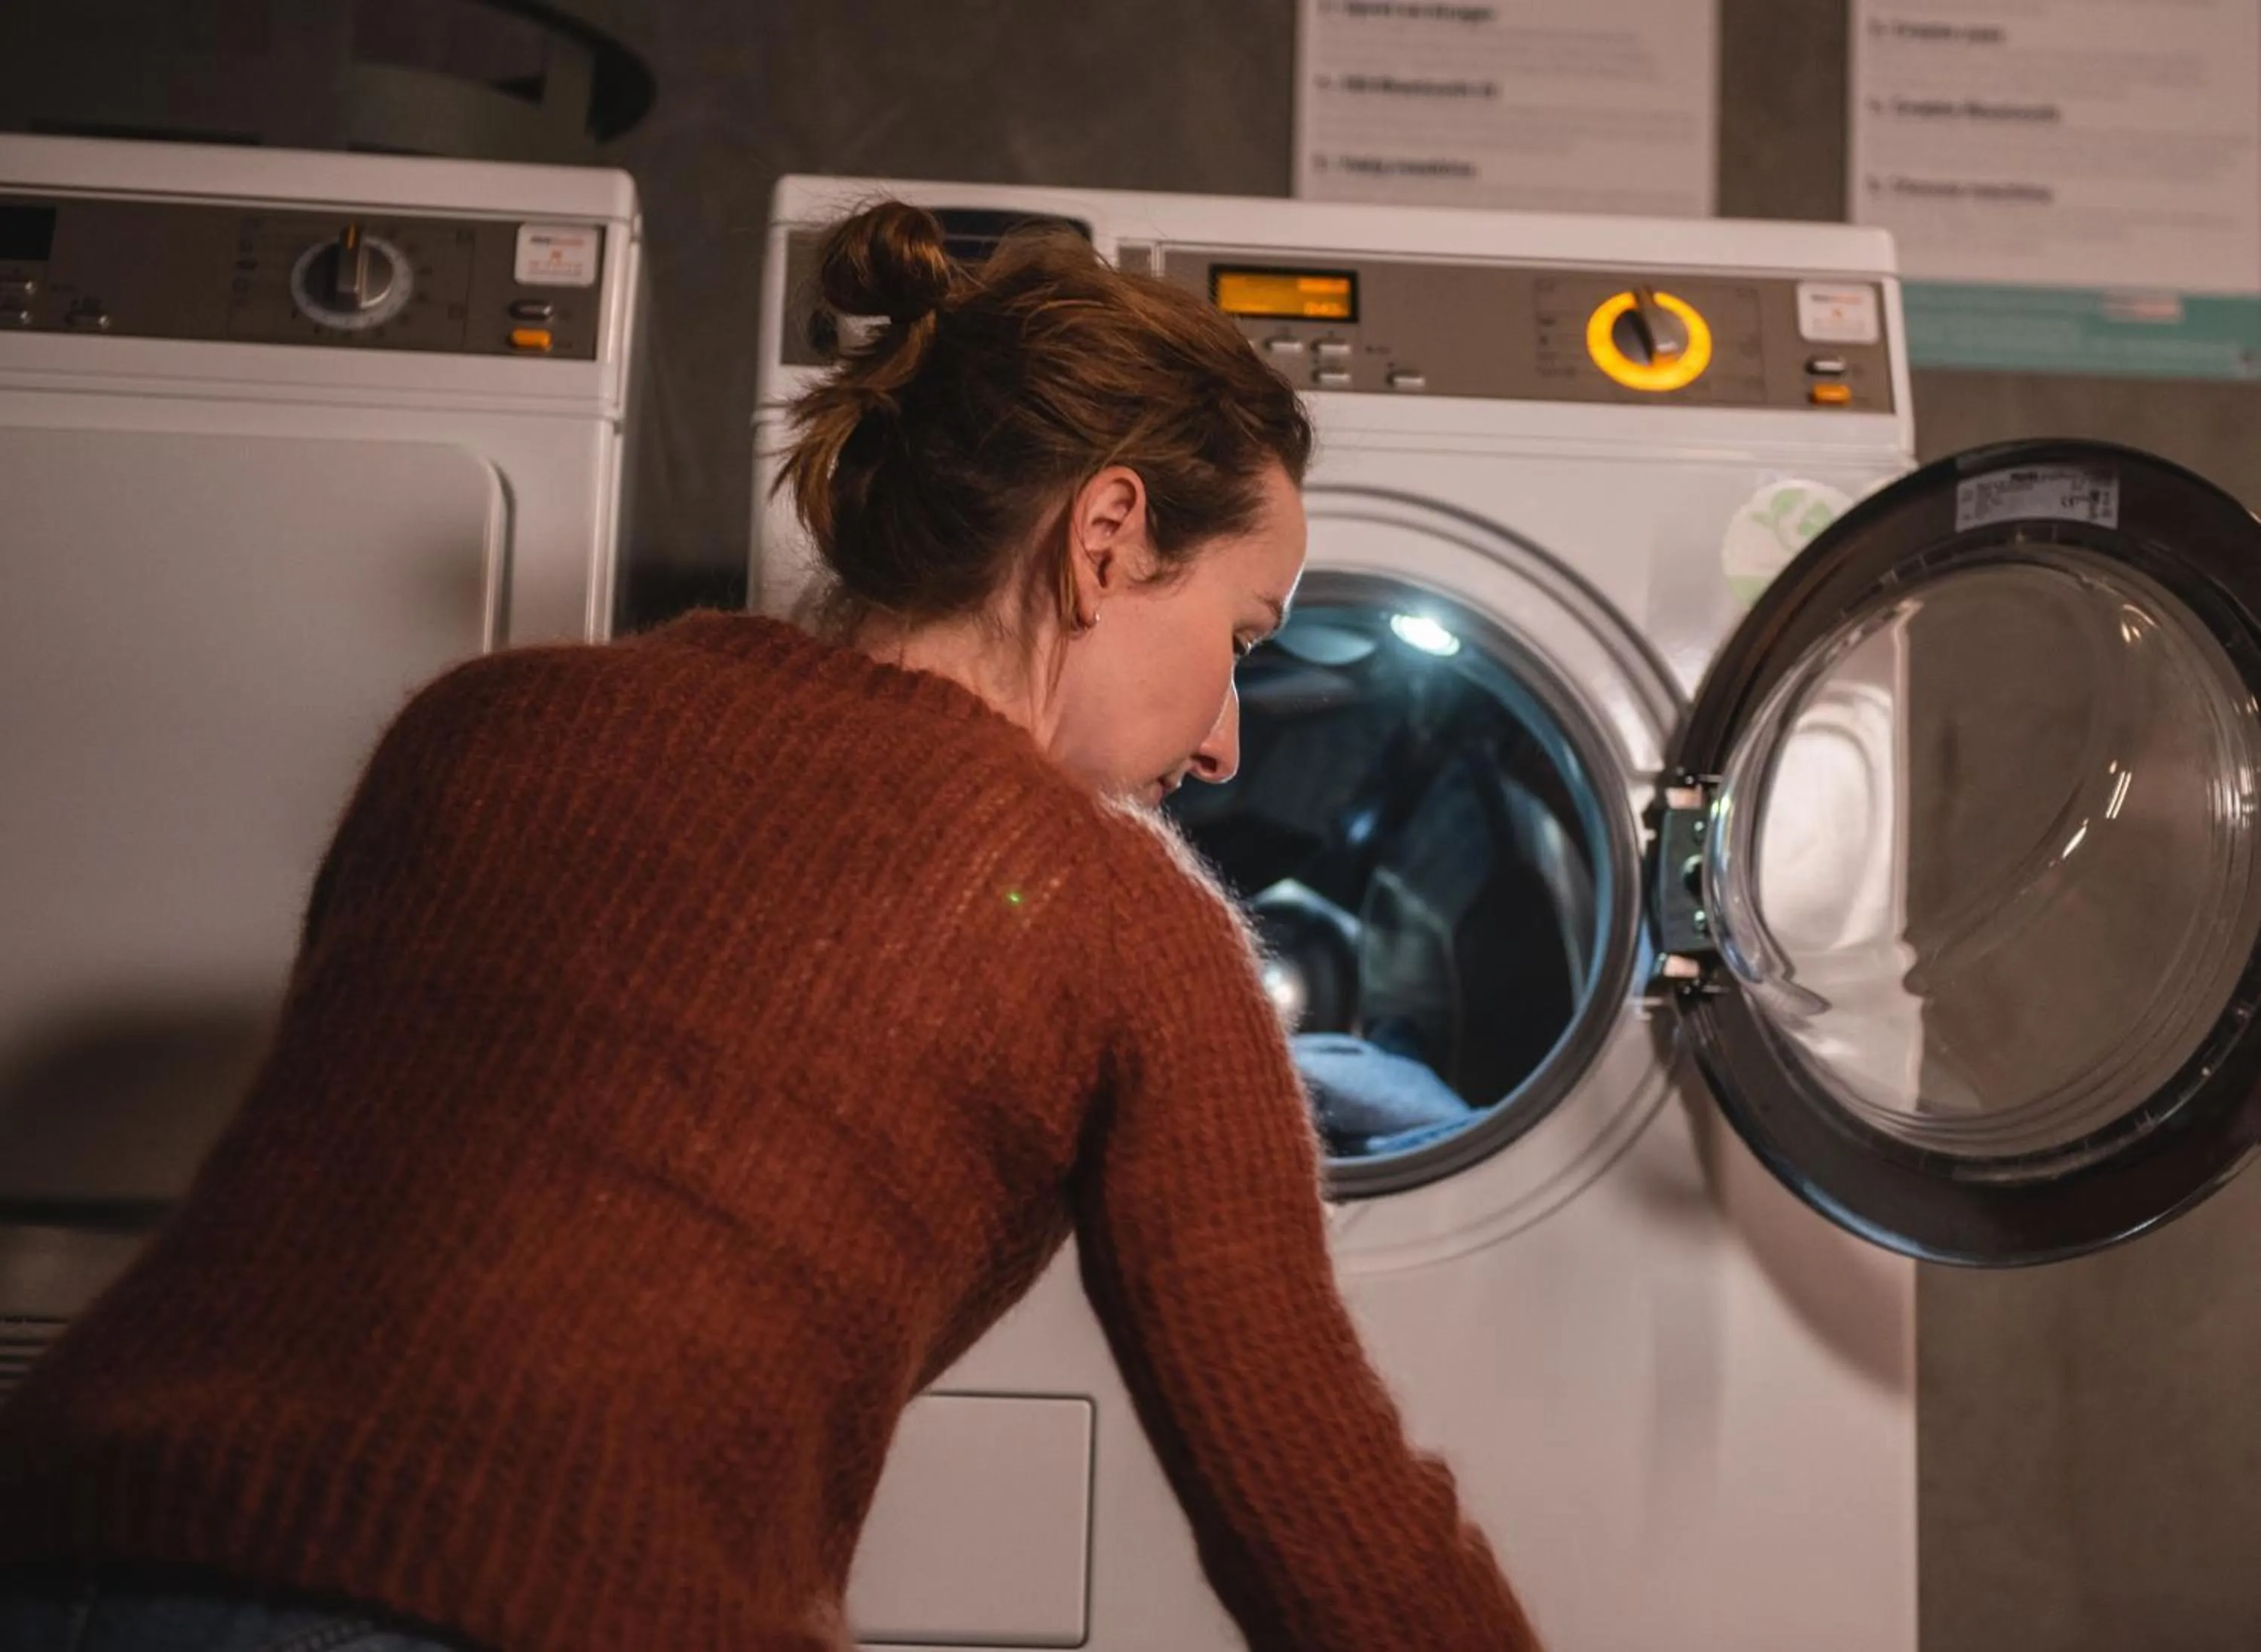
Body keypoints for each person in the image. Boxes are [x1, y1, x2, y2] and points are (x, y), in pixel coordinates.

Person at [0, 200, 1541, 1652]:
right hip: (508, 1598)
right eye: (1239, 640)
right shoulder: (1121, 915)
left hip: (68, 1535)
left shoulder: (485, 724)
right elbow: (1312, 1486)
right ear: (1107, 536)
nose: (1224, 741)